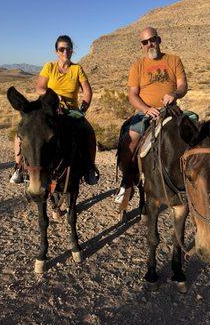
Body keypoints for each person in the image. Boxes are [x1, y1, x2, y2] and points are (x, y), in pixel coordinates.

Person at [10, 35, 99, 185]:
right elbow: (39, 87)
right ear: (57, 51)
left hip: (70, 110)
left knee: (88, 131)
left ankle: (89, 167)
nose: (65, 52)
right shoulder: (49, 67)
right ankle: (18, 168)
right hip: (47, 108)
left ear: (72, 51)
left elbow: (87, 91)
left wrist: (83, 109)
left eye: (68, 49)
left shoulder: (77, 69)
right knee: (23, 131)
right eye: (61, 49)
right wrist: (54, 95)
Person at [115, 27, 188, 203]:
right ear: (142, 45)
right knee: (129, 141)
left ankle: (193, 179)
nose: (150, 44)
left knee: (194, 135)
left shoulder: (174, 60)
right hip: (145, 112)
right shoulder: (137, 66)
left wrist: (175, 95)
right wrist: (146, 109)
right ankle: (128, 178)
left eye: (152, 40)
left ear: (159, 40)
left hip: (170, 110)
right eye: (145, 42)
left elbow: (183, 86)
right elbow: (132, 94)